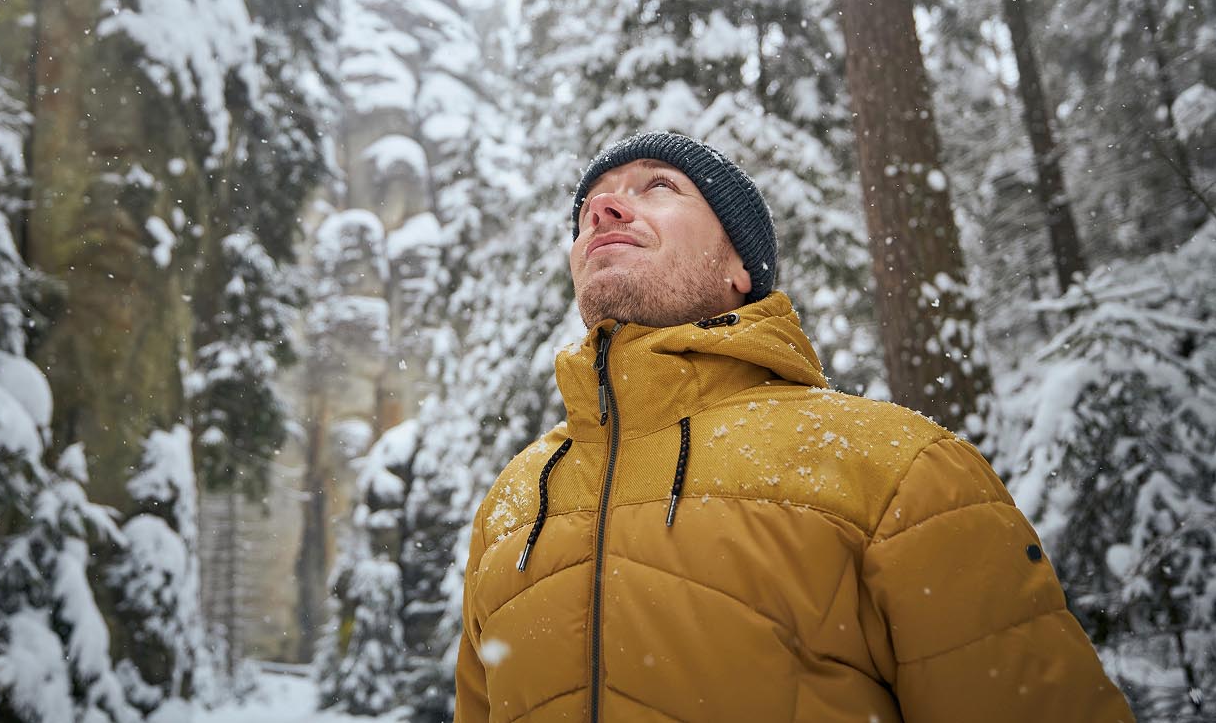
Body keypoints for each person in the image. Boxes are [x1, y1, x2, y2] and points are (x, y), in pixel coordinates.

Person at [453, 132, 1133, 722]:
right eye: (587, 211)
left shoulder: (898, 466)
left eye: (659, 186)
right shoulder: (513, 503)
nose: (603, 210)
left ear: (739, 268)